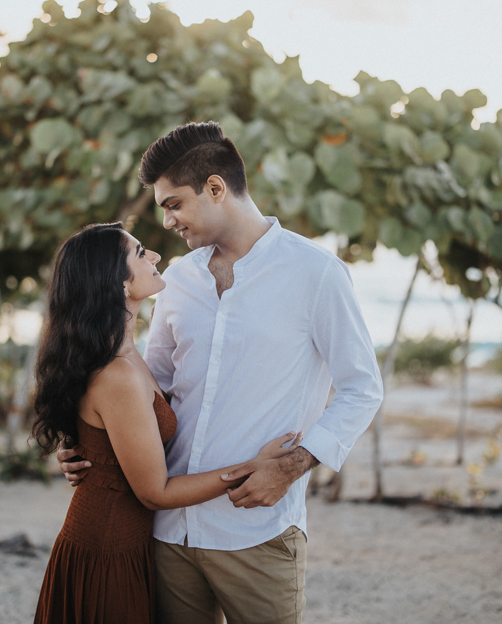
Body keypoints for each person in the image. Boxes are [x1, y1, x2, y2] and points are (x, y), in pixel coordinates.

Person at [58, 122, 384, 623]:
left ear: (215, 188)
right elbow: (152, 388)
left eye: (173, 204)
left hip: (257, 530)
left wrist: (291, 466)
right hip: (168, 532)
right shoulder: (178, 281)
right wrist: (88, 442)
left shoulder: (316, 273)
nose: (166, 223)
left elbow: (362, 389)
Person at [31, 221, 303, 624]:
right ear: (119, 283)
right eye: (140, 253)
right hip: (108, 546)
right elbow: (155, 492)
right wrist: (251, 469)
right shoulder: (118, 374)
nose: (155, 255)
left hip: (128, 539)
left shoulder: (124, 354)